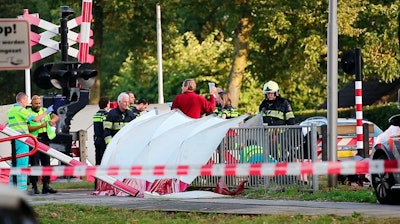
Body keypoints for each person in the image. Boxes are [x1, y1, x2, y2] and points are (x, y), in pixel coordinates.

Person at [7, 92, 53, 191]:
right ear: (22, 100)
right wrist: (47, 112)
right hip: (23, 139)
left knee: (14, 162)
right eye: (26, 101)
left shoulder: (11, 111)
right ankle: (22, 187)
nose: (27, 103)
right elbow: (36, 119)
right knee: (23, 163)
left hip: (14, 139)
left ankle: (11, 186)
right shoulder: (21, 110)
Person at [27, 95, 59, 194]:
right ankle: (35, 186)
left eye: (39, 103)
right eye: (36, 103)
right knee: (34, 163)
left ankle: (46, 185)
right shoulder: (28, 113)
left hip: (45, 139)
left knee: (46, 163)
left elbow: (55, 116)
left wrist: (52, 120)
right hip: (34, 140)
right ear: (31, 103)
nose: (38, 105)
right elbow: (28, 128)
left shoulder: (45, 110)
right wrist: (41, 125)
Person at [92, 96, 110, 190]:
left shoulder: (96, 114)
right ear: (107, 104)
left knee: (97, 162)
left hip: (96, 139)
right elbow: (106, 128)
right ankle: (103, 183)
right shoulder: (105, 115)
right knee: (104, 161)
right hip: (103, 140)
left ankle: (96, 183)